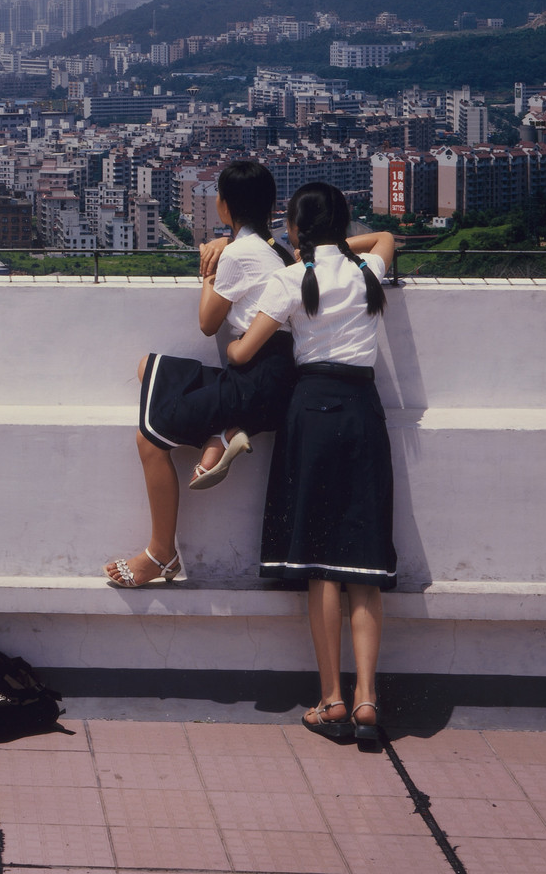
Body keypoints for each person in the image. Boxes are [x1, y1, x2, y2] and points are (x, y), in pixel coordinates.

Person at [222, 181, 397, 745]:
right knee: (363, 564)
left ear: (296, 229)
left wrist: (289, 249)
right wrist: (335, 241)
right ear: (342, 226)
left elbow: (242, 352)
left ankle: (332, 699)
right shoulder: (369, 268)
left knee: (321, 563)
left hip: (312, 413)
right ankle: (369, 697)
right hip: (362, 409)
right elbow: (387, 236)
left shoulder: (291, 279)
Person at [104, 160, 296, 589]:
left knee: (149, 438)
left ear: (224, 206)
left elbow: (208, 323)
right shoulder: (273, 248)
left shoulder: (240, 254)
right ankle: (226, 430)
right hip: (272, 376)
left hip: (254, 381)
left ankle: (160, 553)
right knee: (150, 369)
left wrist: (212, 264)